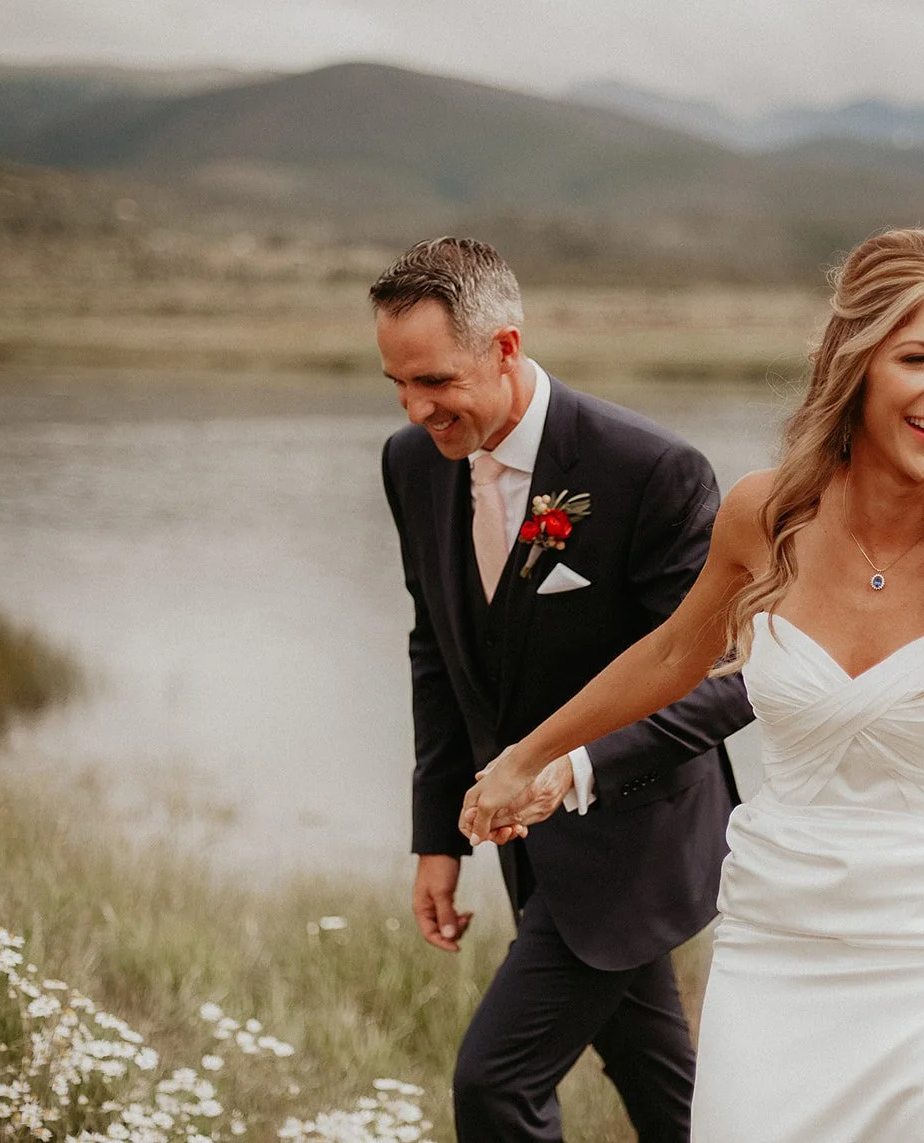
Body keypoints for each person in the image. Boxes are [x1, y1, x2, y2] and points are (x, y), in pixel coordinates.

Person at [463, 228, 924, 1141]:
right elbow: (671, 657)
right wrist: (532, 756)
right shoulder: (765, 515)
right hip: (779, 946)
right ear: (853, 366)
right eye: (919, 357)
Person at [373, 236, 755, 1143]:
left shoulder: (650, 471)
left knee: (495, 1084)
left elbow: (730, 681)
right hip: (532, 855)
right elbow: (438, 654)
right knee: (665, 1086)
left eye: (435, 381)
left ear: (504, 347)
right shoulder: (411, 464)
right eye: (397, 382)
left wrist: (571, 768)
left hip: (641, 840)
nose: (415, 407)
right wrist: (437, 839)